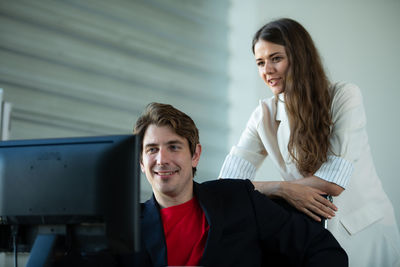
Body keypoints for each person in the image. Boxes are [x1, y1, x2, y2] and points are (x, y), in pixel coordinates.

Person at [219, 18, 400, 266]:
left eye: (276, 58)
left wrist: (270, 189)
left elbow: (334, 181)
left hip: (365, 232)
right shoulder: (263, 116)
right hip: (315, 241)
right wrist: (280, 188)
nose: (267, 70)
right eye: (260, 62)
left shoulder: (344, 96)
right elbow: (226, 186)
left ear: (299, 57)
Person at [133, 102, 347, 267]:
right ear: (141, 162)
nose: (162, 160)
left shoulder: (239, 198)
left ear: (195, 155)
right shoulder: (125, 226)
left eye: (173, 147)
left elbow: (323, 250)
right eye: (152, 149)